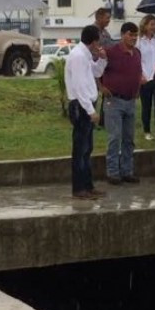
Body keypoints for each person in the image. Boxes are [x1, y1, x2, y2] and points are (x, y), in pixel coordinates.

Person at [64, 25, 109, 199]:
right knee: (80, 149)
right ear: (94, 41)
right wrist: (90, 111)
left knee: (87, 149)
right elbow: (80, 86)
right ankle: (79, 188)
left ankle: (88, 185)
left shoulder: (85, 55)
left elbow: (96, 72)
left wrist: (103, 59)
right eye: (98, 41)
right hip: (81, 106)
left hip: (86, 104)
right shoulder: (78, 56)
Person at [100, 22, 143, 186]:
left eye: (135, 35)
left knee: (129, 139)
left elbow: (138, 72)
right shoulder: (111, 52)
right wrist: (101, 87)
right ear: (123, 34)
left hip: (130, 101)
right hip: (114, 101)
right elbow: (96, 69)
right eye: (131, 35)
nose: (133, 38)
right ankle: (112, 172)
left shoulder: (137, 53)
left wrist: (137, 87)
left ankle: (127, 171)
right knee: (114, 138)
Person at [137, 15, 155, 141]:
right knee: (146, 106)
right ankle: (147, 131)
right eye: (151, 24)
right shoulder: (139, 41)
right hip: (145, 77)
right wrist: (140, 75)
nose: (154, 27)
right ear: (145, 25)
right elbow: (136, 60)